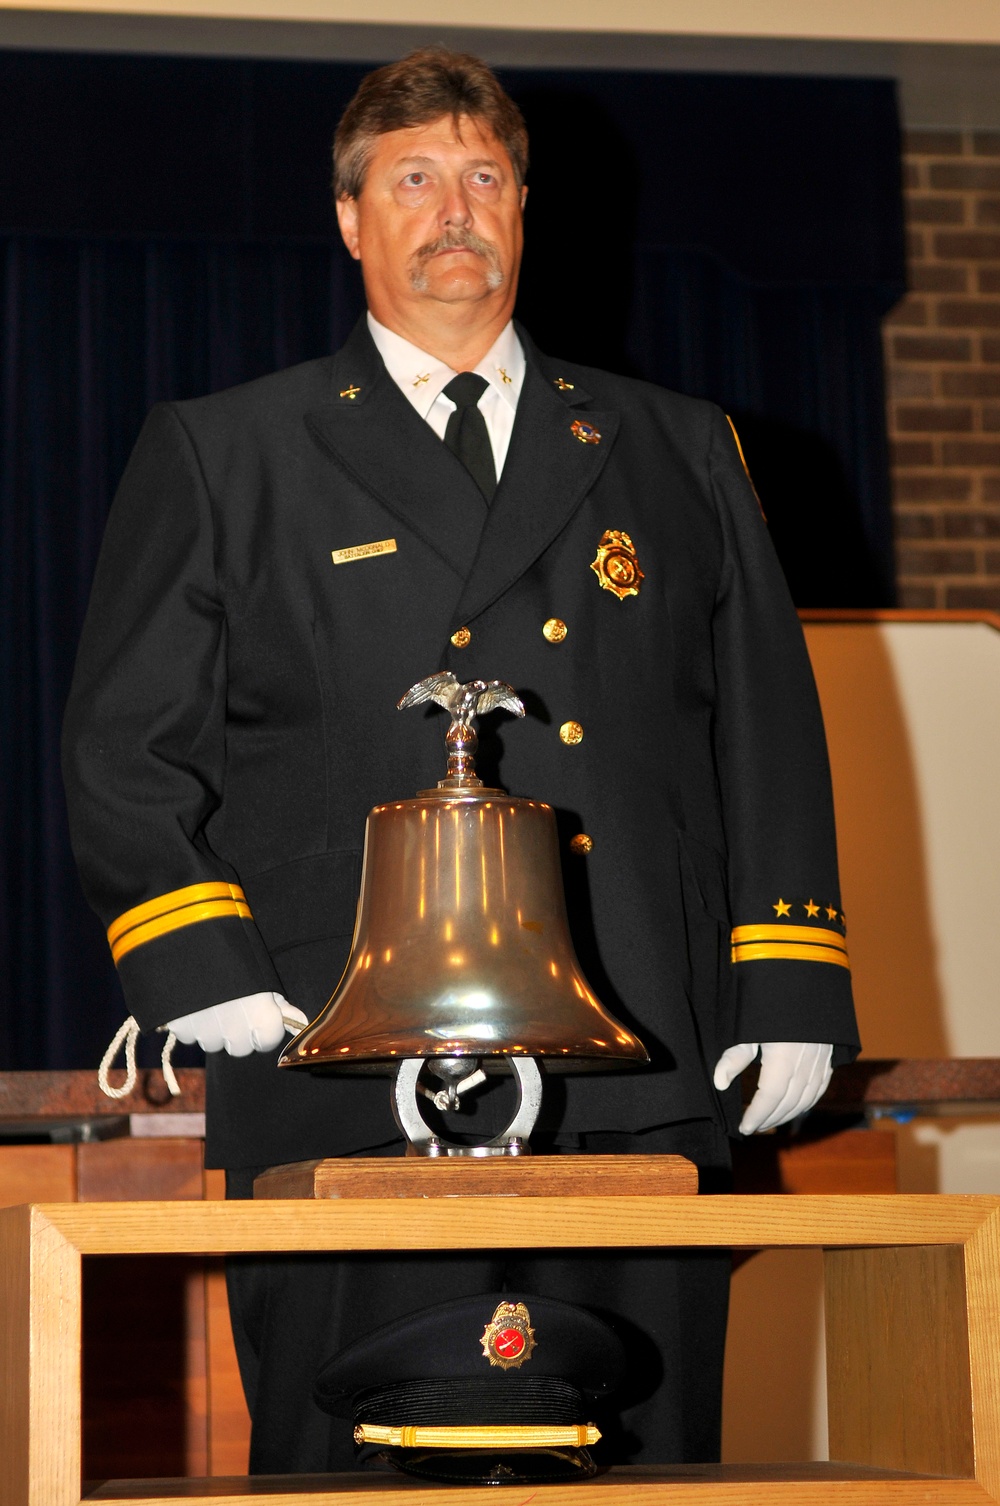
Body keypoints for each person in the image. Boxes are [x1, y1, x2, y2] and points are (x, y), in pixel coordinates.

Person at [62, 47, 859, 1475]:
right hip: (335, 1045)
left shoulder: (678, 451)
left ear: (525, 212)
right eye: (413, 179)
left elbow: (765, 729)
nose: (454, 211)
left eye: (485, 178)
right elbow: (125, 743)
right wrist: (202, 963)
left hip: (634, 1050)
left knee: (641, 1460)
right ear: (352, 219)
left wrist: (789, 973)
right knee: (351, 1459)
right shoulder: (228, 453)